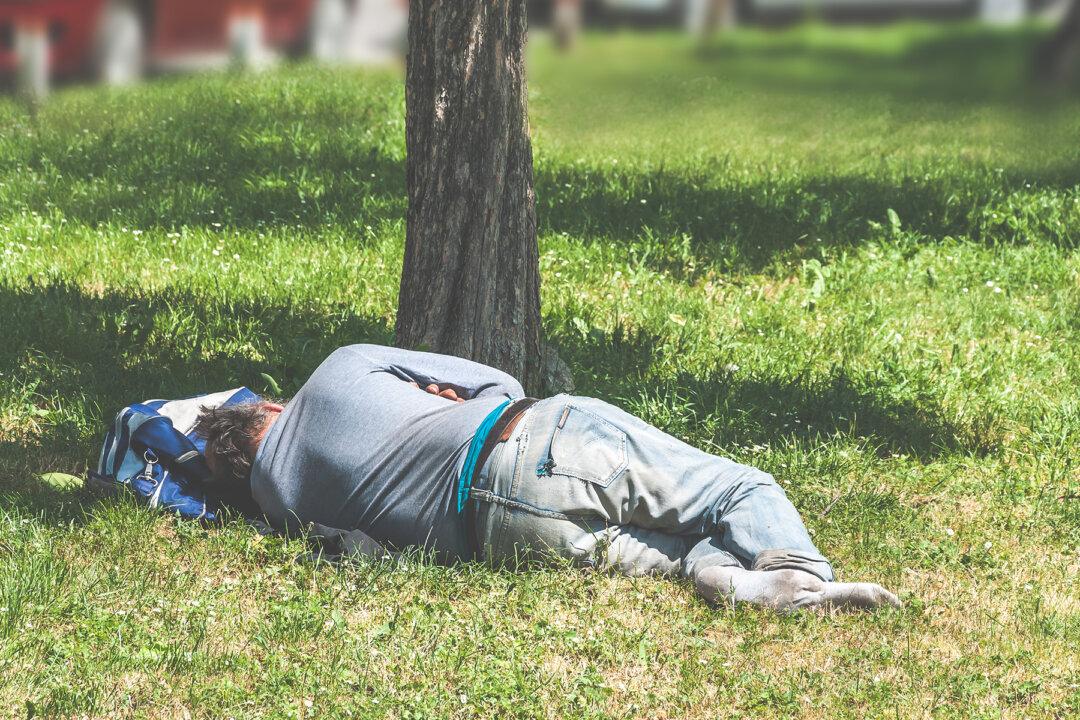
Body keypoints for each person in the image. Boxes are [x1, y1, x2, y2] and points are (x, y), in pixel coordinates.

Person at [194, 344, 901, 613]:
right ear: (268, 408)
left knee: (677, 551)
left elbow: (366, 546)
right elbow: (500, 381)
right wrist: (445, 401)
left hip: (502, 537)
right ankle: (803, 575)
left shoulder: (278, 507)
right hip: (536, 440)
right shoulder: (337, 369)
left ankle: (730, 581)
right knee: (737, 489)